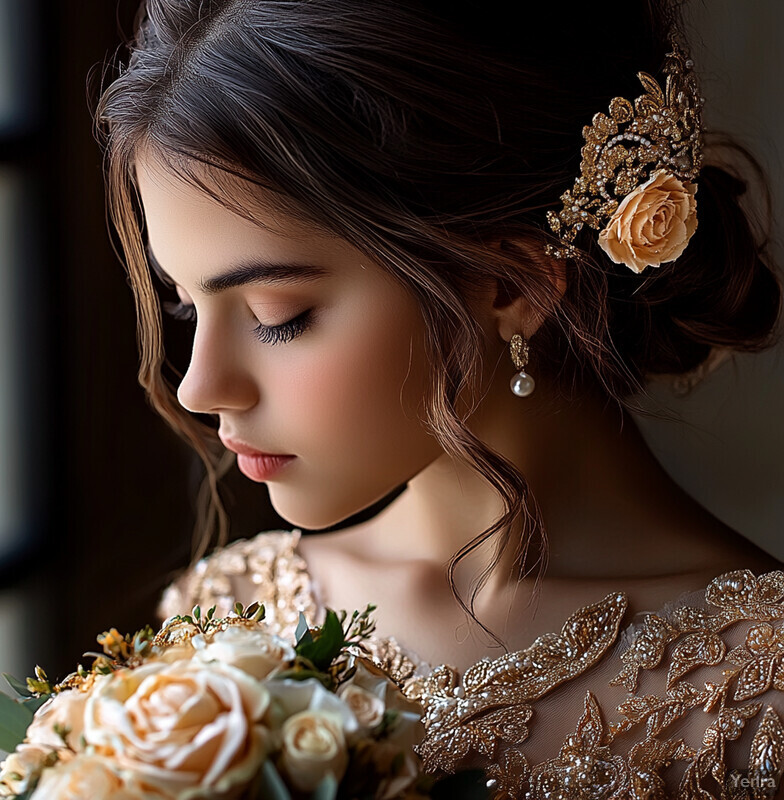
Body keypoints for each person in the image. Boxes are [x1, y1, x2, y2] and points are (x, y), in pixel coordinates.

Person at [96, 0, 784, 795]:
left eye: (276, 316)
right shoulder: (224, 624)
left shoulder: (756, 696)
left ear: (511, 283)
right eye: (185, 304)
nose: (198, 385)